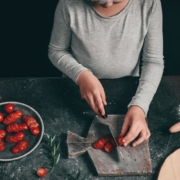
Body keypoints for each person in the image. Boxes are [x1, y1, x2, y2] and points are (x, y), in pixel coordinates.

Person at [48, 0, 164, 147]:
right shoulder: (68, 4)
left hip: (130, 91)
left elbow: (153, 61)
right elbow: (56, 51)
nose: (108, 4)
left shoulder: (149, 3)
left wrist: (140, 106)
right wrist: (81, 75)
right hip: (76, 88)